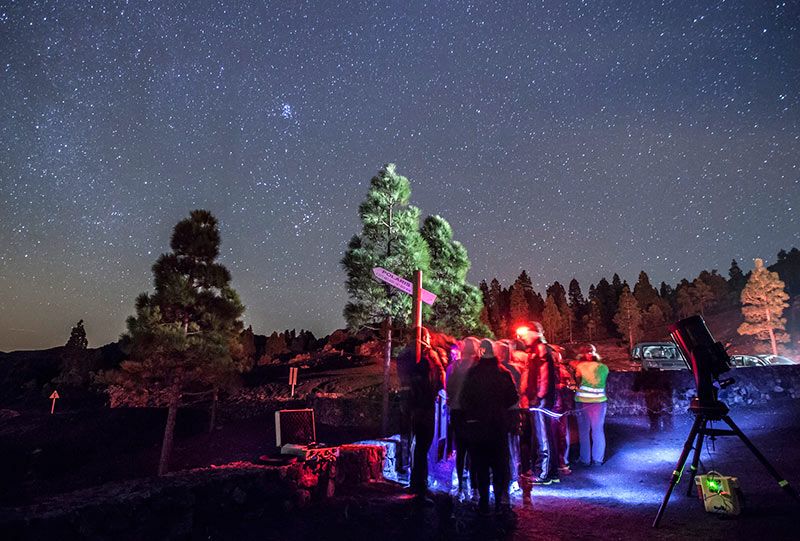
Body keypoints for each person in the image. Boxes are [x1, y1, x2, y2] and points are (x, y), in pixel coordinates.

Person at [460, 339, 519, 515]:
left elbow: (465, 399)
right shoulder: (503, 373)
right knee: (500, 463)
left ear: (481, 352)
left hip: (478, 425)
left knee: (481, 464)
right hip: (498, 424)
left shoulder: (472, 373)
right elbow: (513, 398)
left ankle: (484, 502)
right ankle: (501, 500)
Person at [396, 327, 445, 502]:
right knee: (422, 445)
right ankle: (419, 486)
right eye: (429, 338)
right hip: (423, 406)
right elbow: (437, 379)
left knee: (415, 445)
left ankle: (415, 481)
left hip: (408, 405)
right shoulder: (426, 356)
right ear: (424, 337)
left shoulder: (403, 356)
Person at [517, 322, 560, 485]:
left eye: (526, 333)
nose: (523, 337)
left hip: (540, 402)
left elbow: (543, 373)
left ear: (534, 333)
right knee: (545, 435)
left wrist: (539, 395)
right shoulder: (535, 349)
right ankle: (552, 471)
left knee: (542, 437)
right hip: (539, 400)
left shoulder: (540, 349)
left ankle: (544, 474)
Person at [445, 336, 480, 497]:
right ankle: (474, 486)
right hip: (473, 412)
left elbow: (447, 387)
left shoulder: (453, 367)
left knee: (460, 449)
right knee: (474, 450)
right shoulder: (478, 366)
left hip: (456, 410)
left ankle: (460, 483)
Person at [572, 344, 609, 466]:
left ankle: (585, 459)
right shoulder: (604, 367)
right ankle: (598, 459)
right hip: (599, 402)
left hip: (583, 402)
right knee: (598, 430)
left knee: (584, 431)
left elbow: (577, 382)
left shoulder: (579, 366)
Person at [554, 347, 578, 476]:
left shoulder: (562, 370)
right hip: (558, 407)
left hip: (559, 407)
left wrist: (563, 387)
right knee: (560, 435)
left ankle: (562, 462)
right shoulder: (561, 370)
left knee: (561, 435)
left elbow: (571, 386)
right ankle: (560, 462)